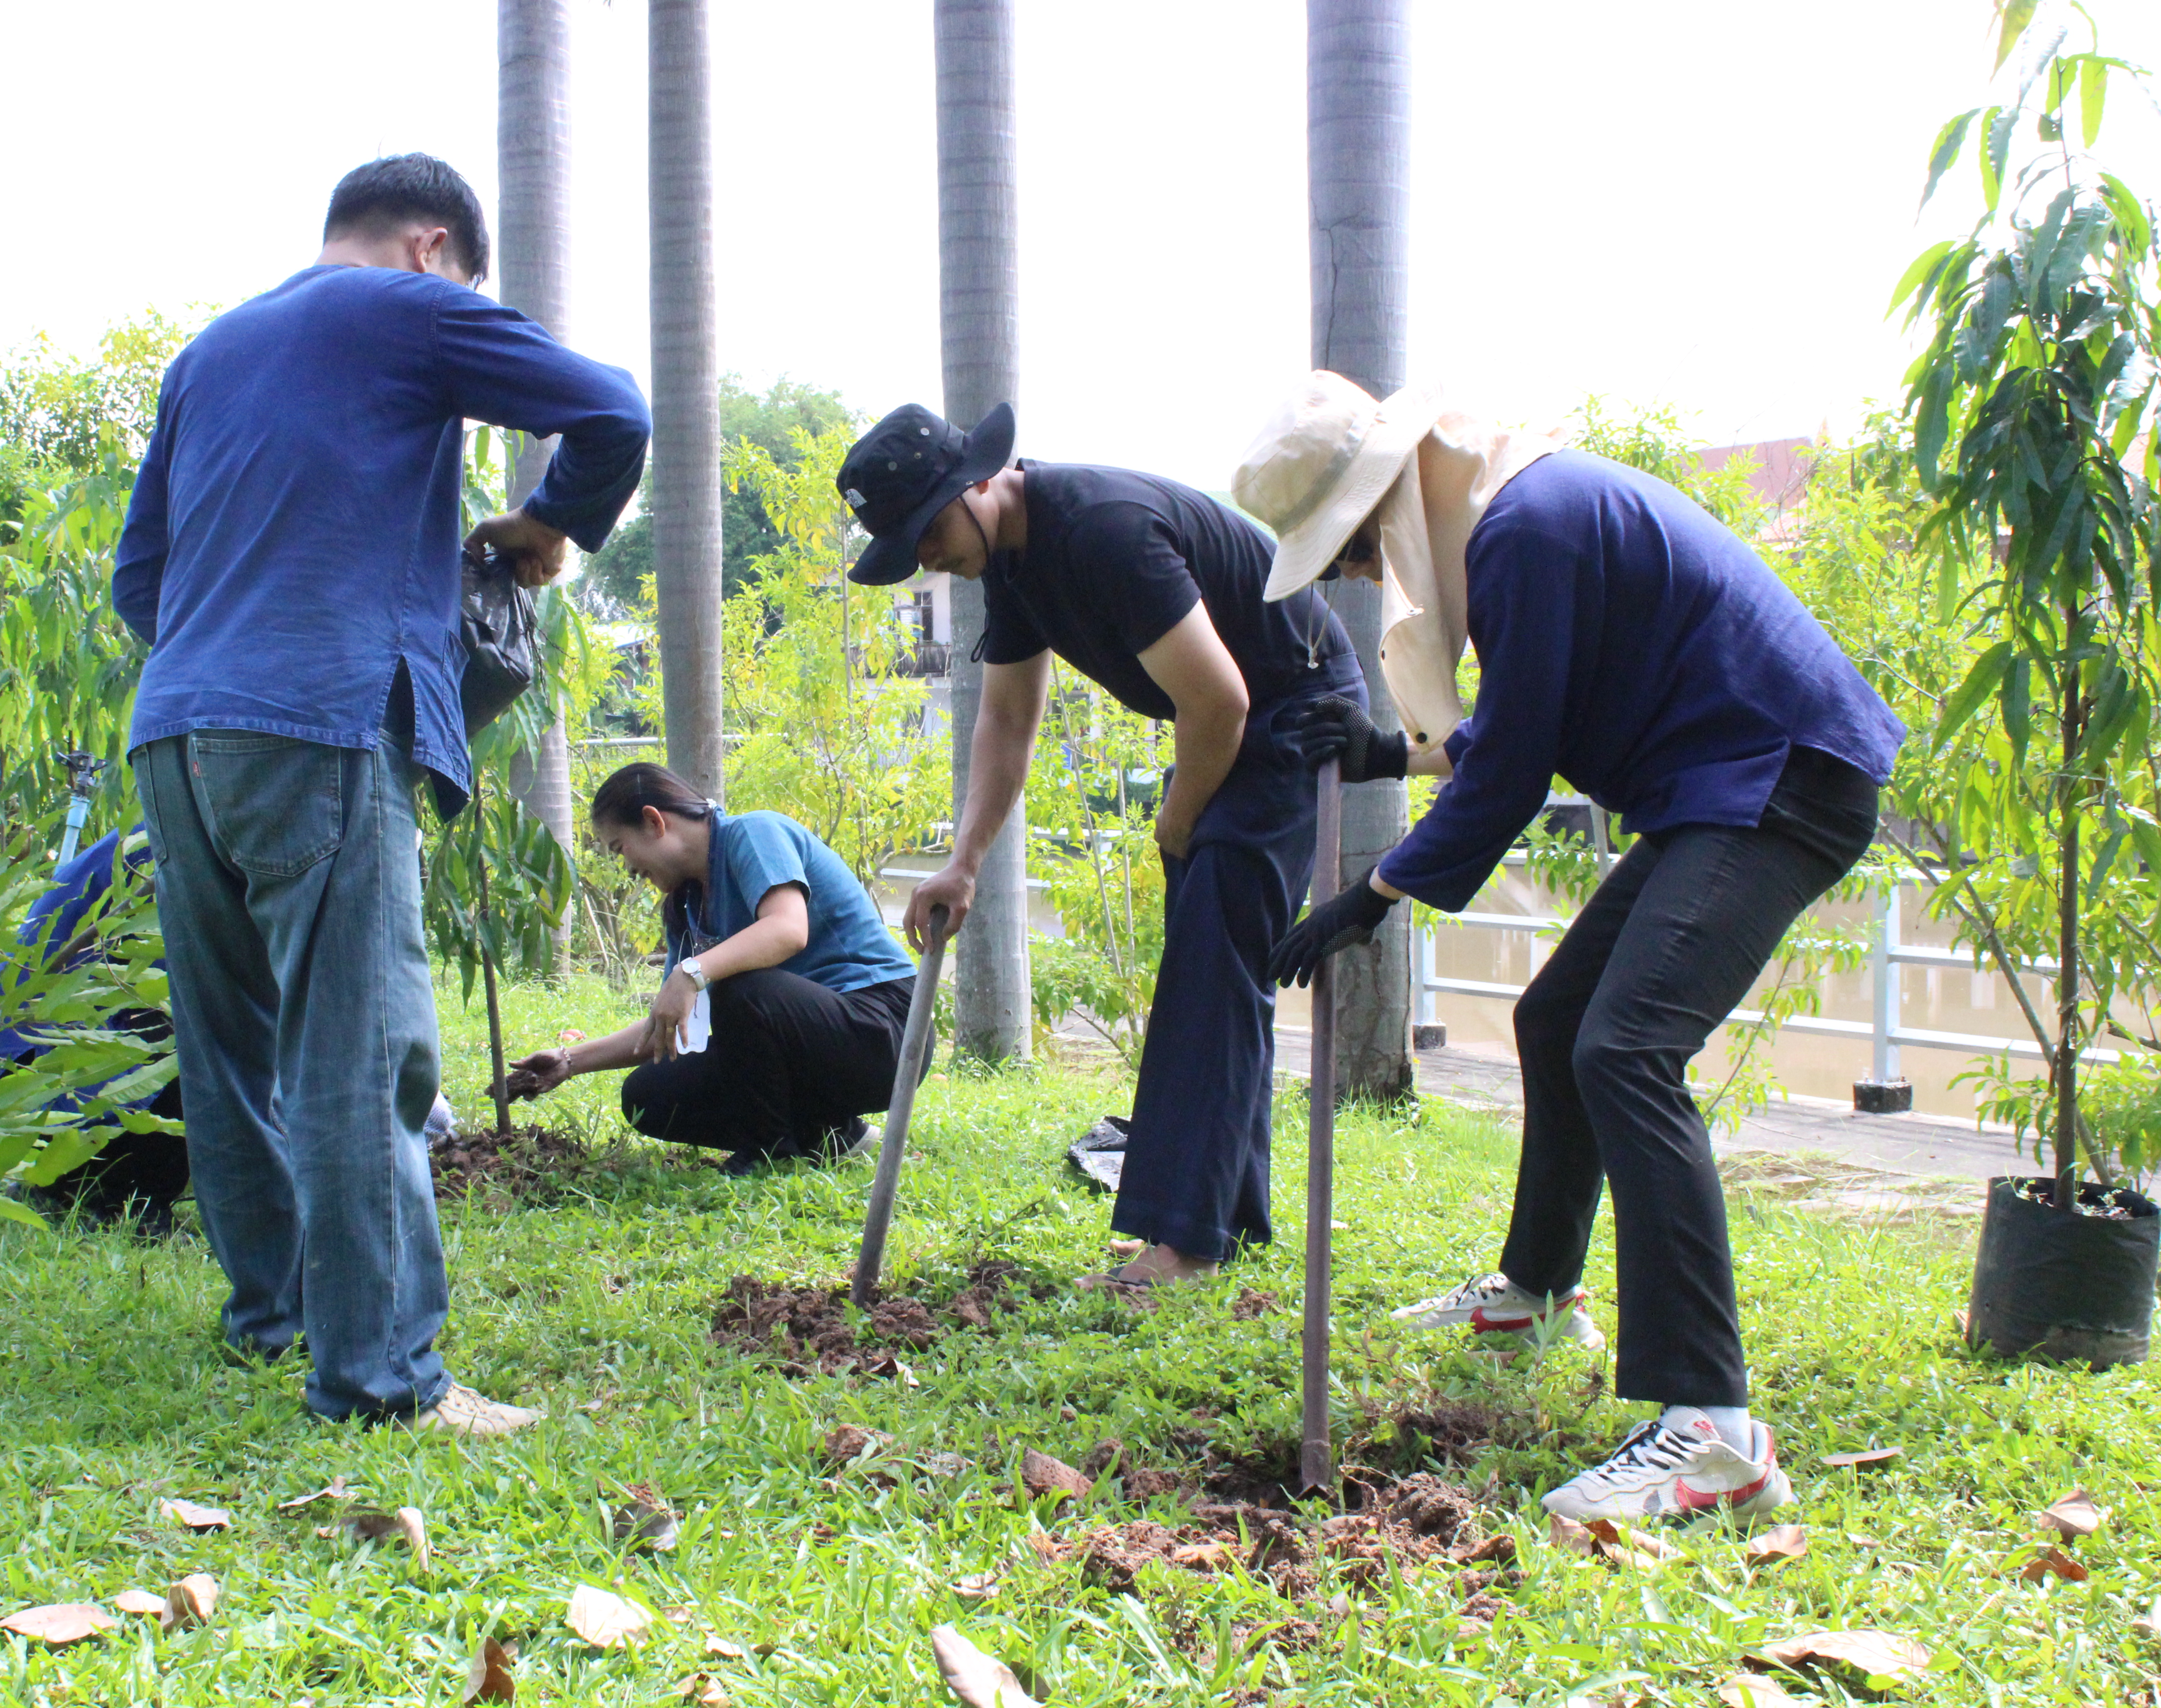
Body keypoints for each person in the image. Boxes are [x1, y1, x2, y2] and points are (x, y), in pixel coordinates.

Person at [1242, 374, 1905, 1524]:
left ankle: (1713, 1431)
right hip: (1725, 787)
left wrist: (1374, 890)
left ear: (1382, 501)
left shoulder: (1526, 529)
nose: (1358, 576)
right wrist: (1376, 752)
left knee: (1627, 1048)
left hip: (1777, 780)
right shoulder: (1514, 516)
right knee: (1558, 1021)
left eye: (1347, 551)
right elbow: (1511, 730)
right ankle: (1535, 1294)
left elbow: (1509, 769)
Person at [113, 154, 651, 1432]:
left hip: (177, 734)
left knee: (230, 1045)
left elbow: (142, 581)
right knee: (363, 1050)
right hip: (320, 722)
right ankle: (383, 1378)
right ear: (431, 249)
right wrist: (545, 523)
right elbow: (614, 413)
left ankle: (274, 1317)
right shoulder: (413, 309)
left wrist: (221, 648)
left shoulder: (209, 355)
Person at [839, 401, 1366, 1288]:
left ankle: (1186, 1246)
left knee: (1213, 957)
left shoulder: (1101, 531)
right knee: (1212, 959)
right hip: (1228, 720)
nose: (924, 560)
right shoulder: (1010, 562)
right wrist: (963, 861)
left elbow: (1224, 702)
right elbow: (1006, 718)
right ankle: (1216, 1221)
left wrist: (1178, 816)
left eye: (924, 532)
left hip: (1291, 707)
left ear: (974, 485)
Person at [503, 764, 924, 1174]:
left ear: (653, 822)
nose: (627, 868)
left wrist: (692, 972)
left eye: (619, 848)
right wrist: (569, 1061)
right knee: (648, 1094)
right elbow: (670, 1023)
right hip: (811, 1044)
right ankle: (832, 1136)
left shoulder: (754, 833)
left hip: (886, 1030)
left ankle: (767, 1155)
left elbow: (787, 929)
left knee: (738, 986)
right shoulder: (687, 907)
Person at [0, 826, 189, 1238]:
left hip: (28, 1073)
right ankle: (116, 1197)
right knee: (211, 1037)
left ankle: (84, 1183)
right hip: (57, 1069)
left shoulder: (176, 810)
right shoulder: (187, 846)